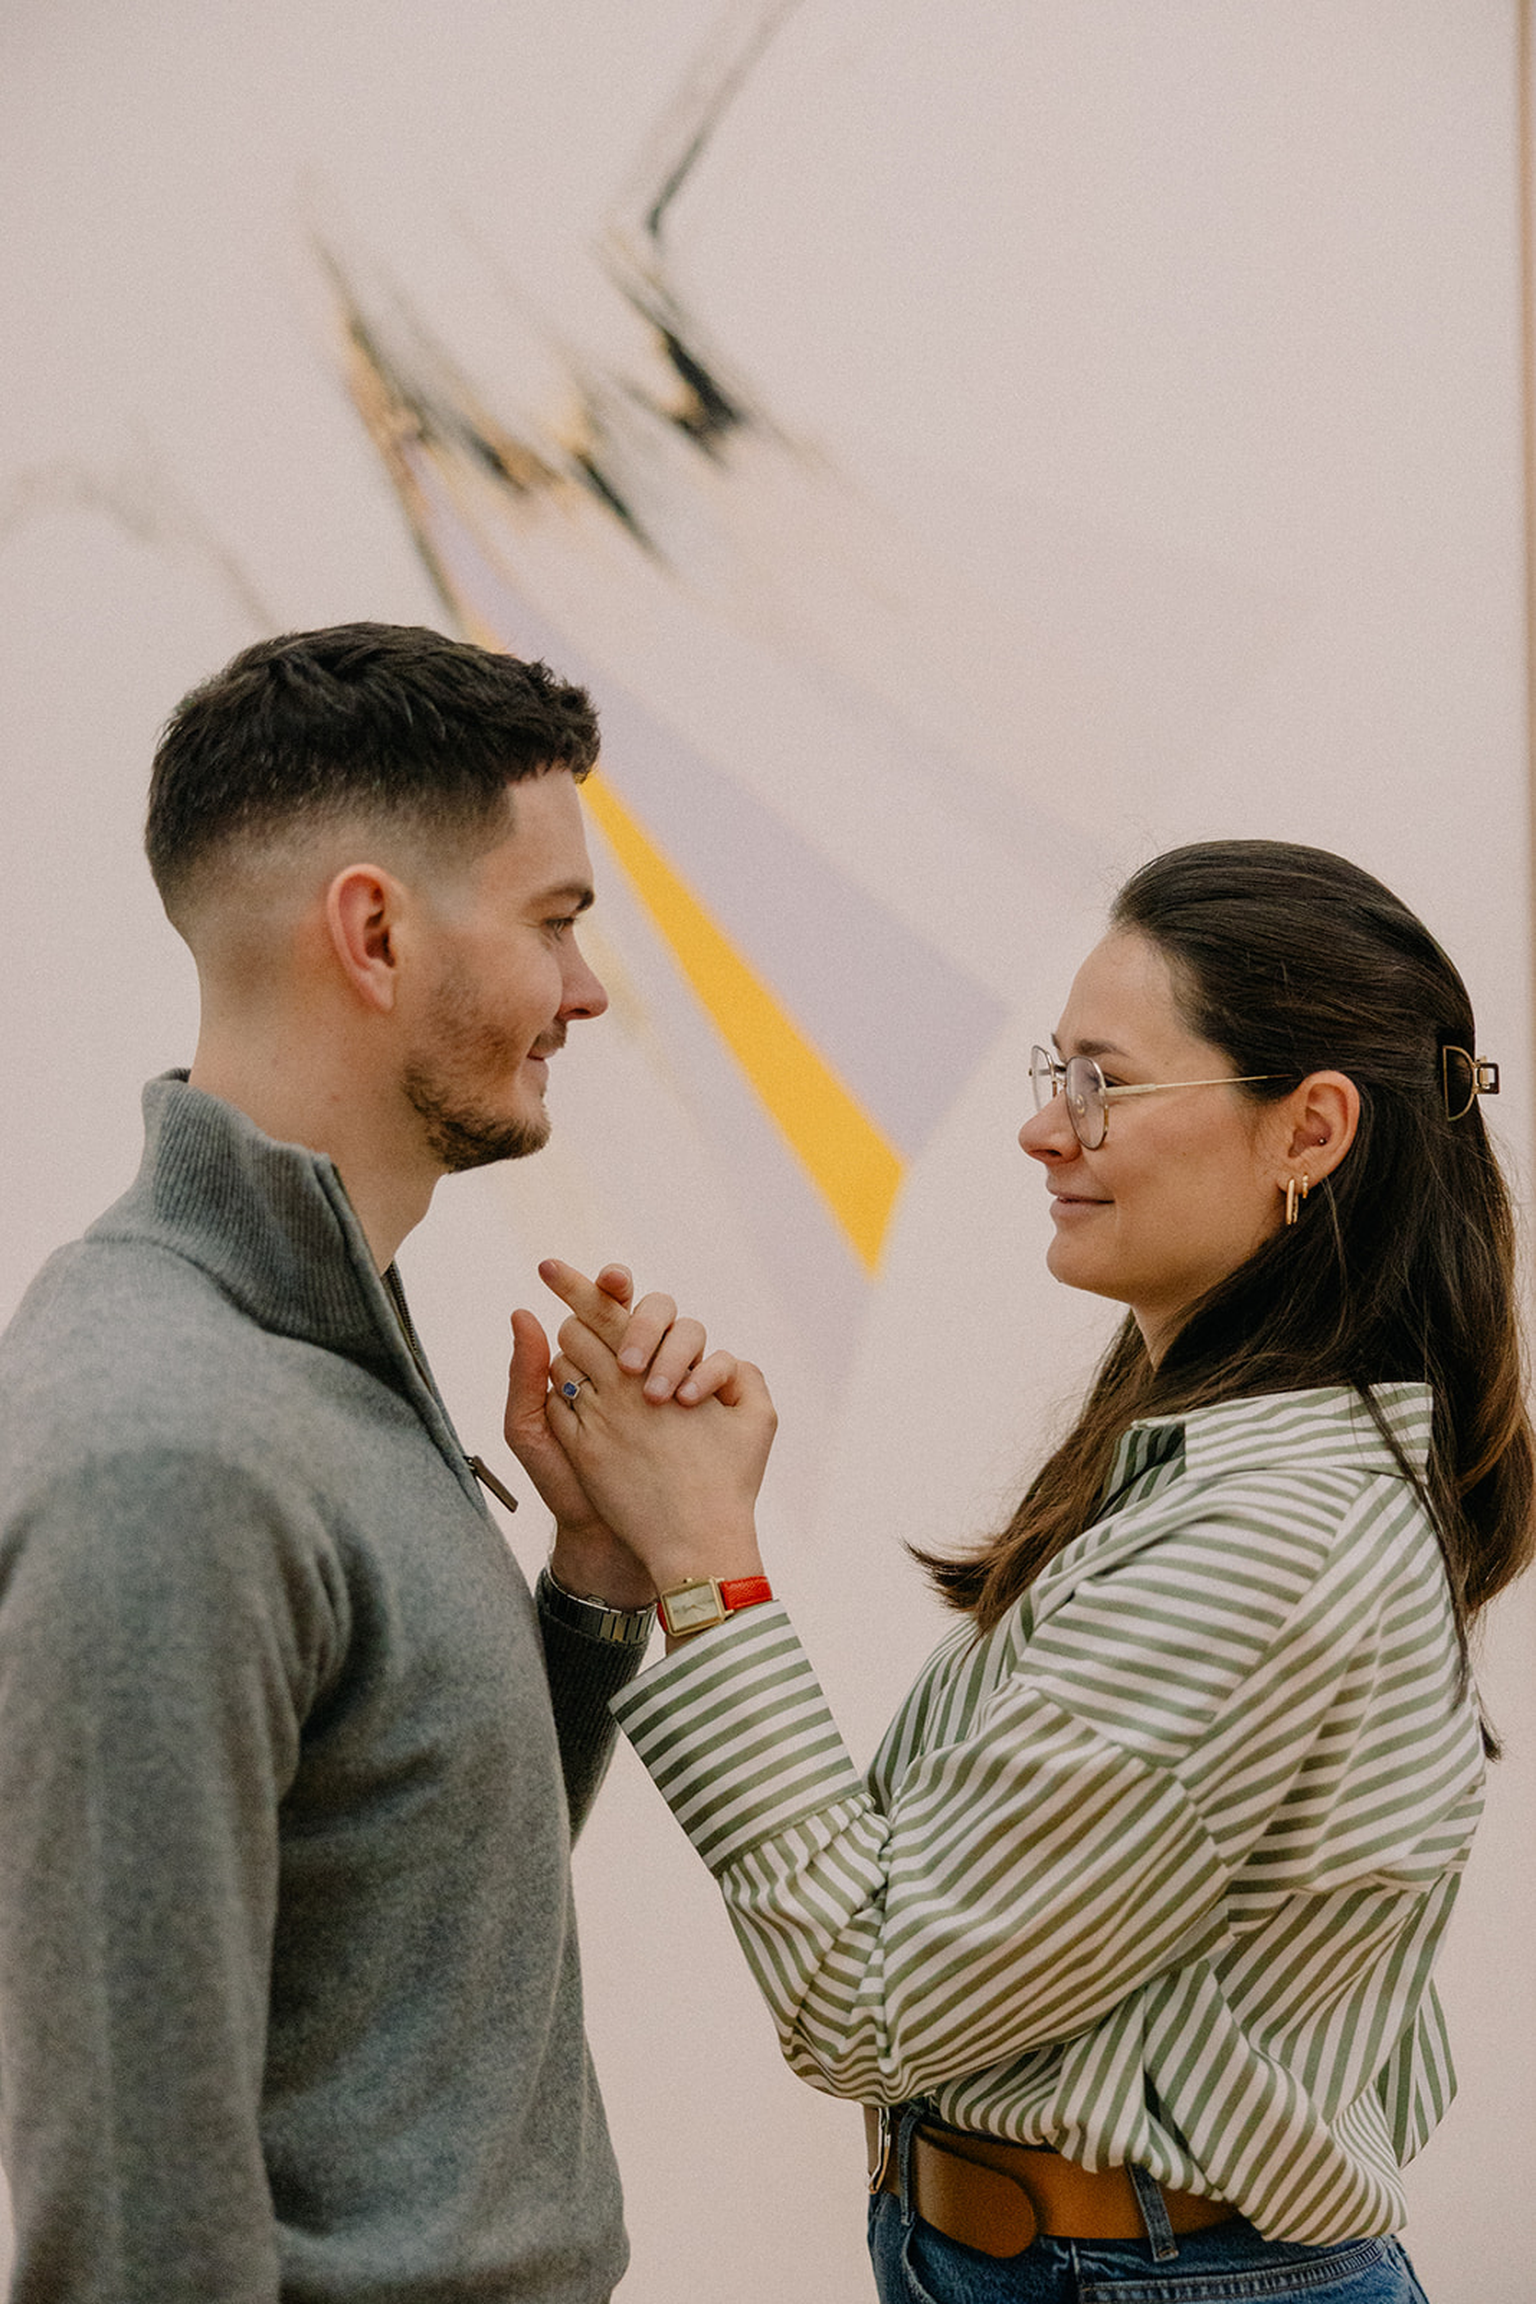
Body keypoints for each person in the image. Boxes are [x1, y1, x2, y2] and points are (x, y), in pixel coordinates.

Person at [509, 840, 1534, 2304]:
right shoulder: (1217, 1475)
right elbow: (917, 1900)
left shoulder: (1266, 1539)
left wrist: (705, 1560)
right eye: (1054, 1073)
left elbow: (866, 1997)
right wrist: (634, 1547)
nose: (1044, 1132)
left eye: (1103, 1083)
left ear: (1309, 1130)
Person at [0, 623, 729, 2304]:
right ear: (377, 932)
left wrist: (597, 1589)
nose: (591, 988)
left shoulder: (324, 1350)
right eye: (558, 922)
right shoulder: (166, 1451)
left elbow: (407, 1929)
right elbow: (134, 2238)